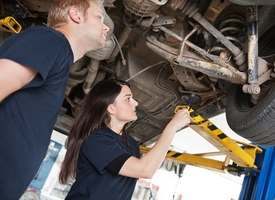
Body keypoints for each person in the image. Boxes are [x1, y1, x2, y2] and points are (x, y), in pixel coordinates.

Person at [0, 0, 109, 199]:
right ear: (76, 15)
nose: (106, 26)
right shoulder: (52, 40)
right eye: (99, 17)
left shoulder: (58, 51)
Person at [59, 79, 190, 200]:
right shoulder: (95, 140)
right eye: (128, 99)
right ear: (111, 108)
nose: (136, 103)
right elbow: (144, 170)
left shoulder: (131, 144)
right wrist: (172, 127)